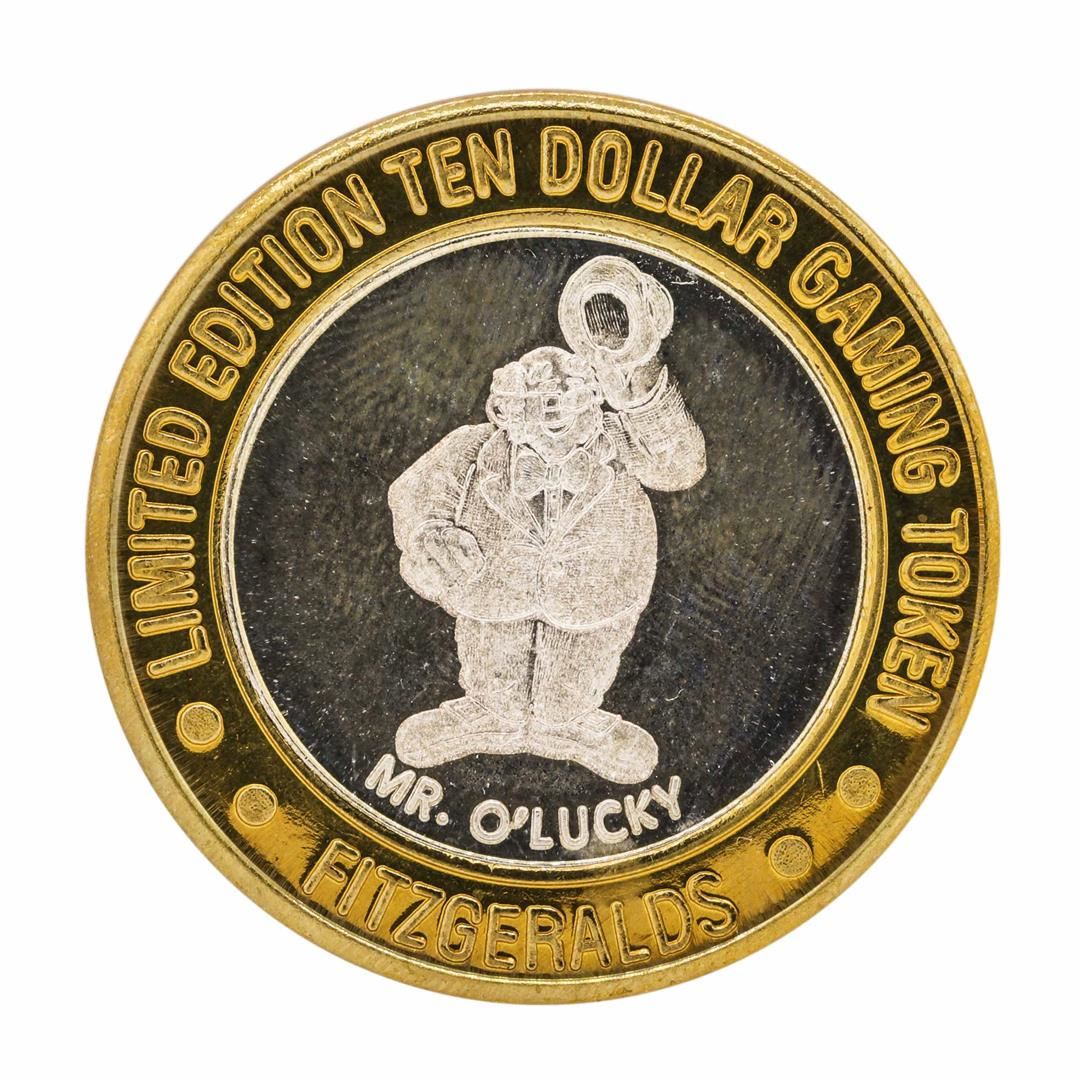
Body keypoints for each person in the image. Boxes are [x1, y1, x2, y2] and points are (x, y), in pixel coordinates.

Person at [387, 256, 705, 784]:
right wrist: (430, 536)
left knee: (578, 668)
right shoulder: (476, 447)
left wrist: (640, 388)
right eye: (535, 404)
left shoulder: (619, 440)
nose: (551, 416)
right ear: (505, 408)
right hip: (494, 587)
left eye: (564, 402)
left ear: (593, 401)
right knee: (493, 656)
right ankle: (491, 713)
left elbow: (681, 466)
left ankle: (569, 721)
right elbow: (420, 489)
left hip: (596, 592)